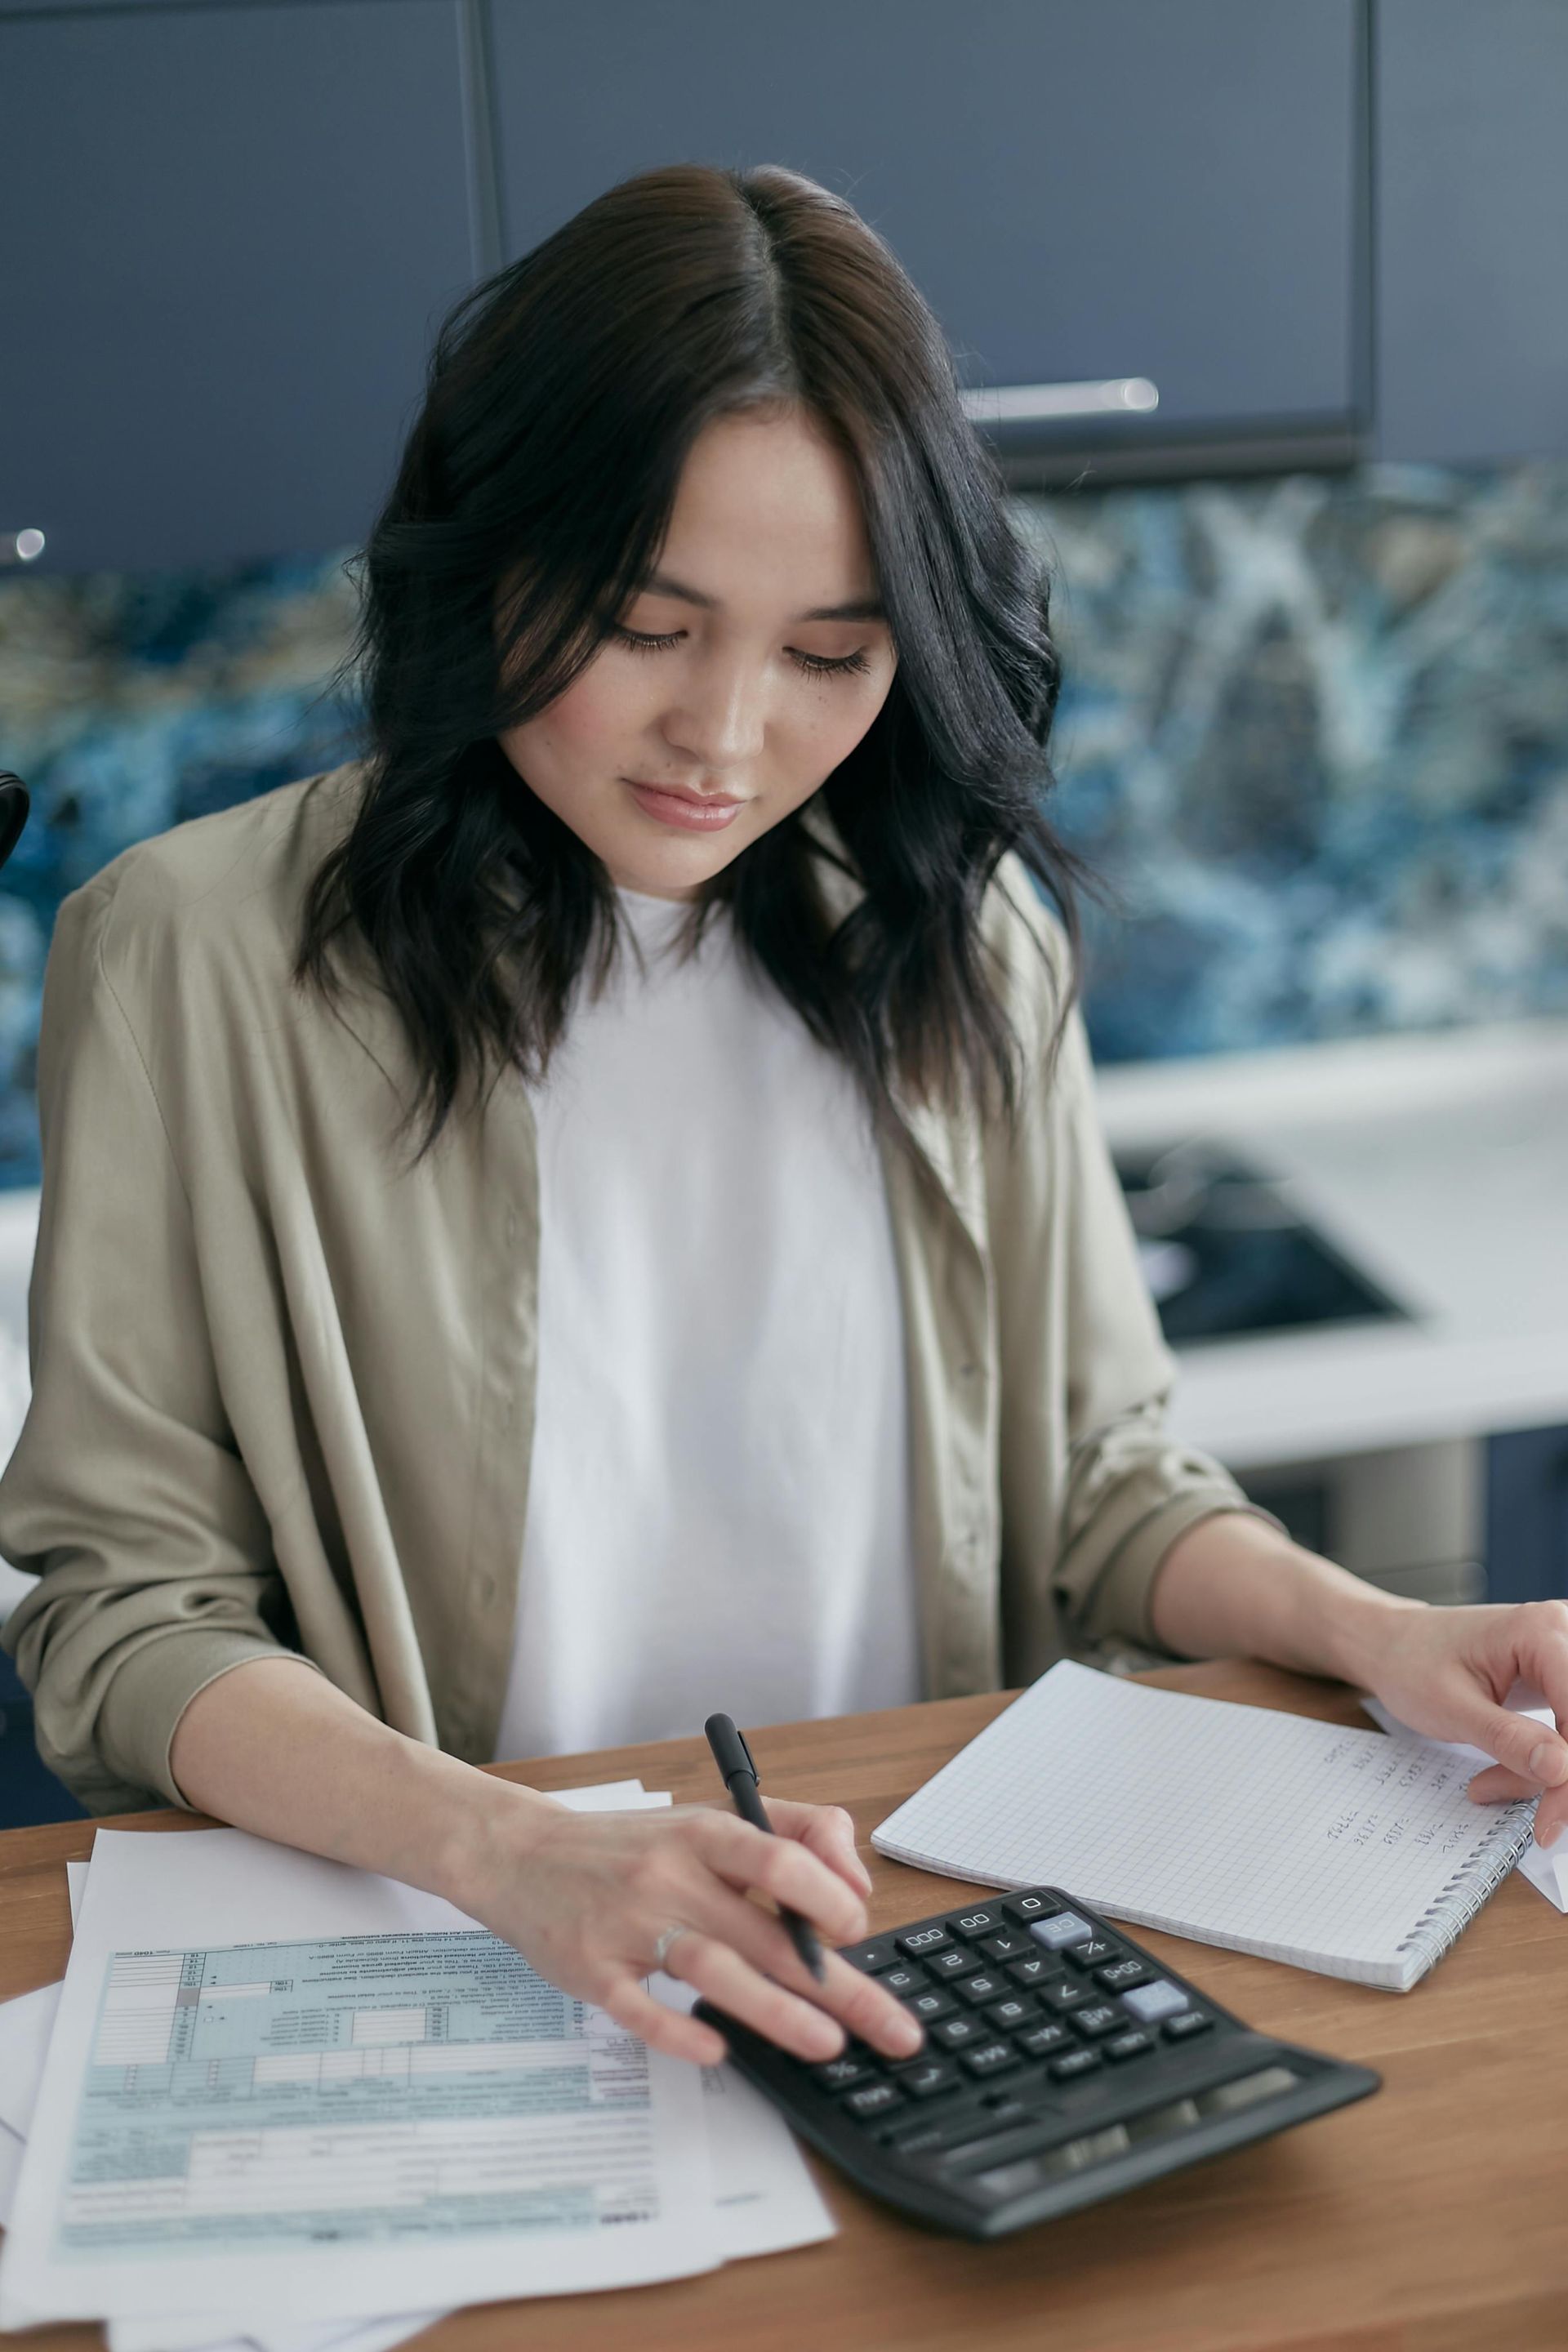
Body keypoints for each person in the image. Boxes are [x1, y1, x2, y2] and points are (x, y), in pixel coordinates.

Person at [2, 164, 1565, 2080]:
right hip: (473, 1953)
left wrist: (1378, 1634)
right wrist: (517, 1852)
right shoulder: (192, 955)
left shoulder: (965, 939)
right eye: (648, 628)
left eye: (829, 654)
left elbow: (1100, 1486)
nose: (726, 737)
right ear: (493, 557)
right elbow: (123, 1619)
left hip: (901, 1942)